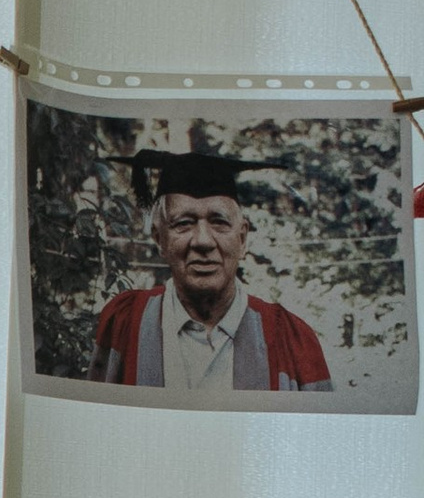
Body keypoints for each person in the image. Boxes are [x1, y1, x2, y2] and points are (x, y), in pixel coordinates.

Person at [90, 153, 333, 393]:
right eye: (184, 223)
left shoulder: (292, 341)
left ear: (242, 238)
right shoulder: (125, 324)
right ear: (159, 239)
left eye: (219, 222)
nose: (203, 241)